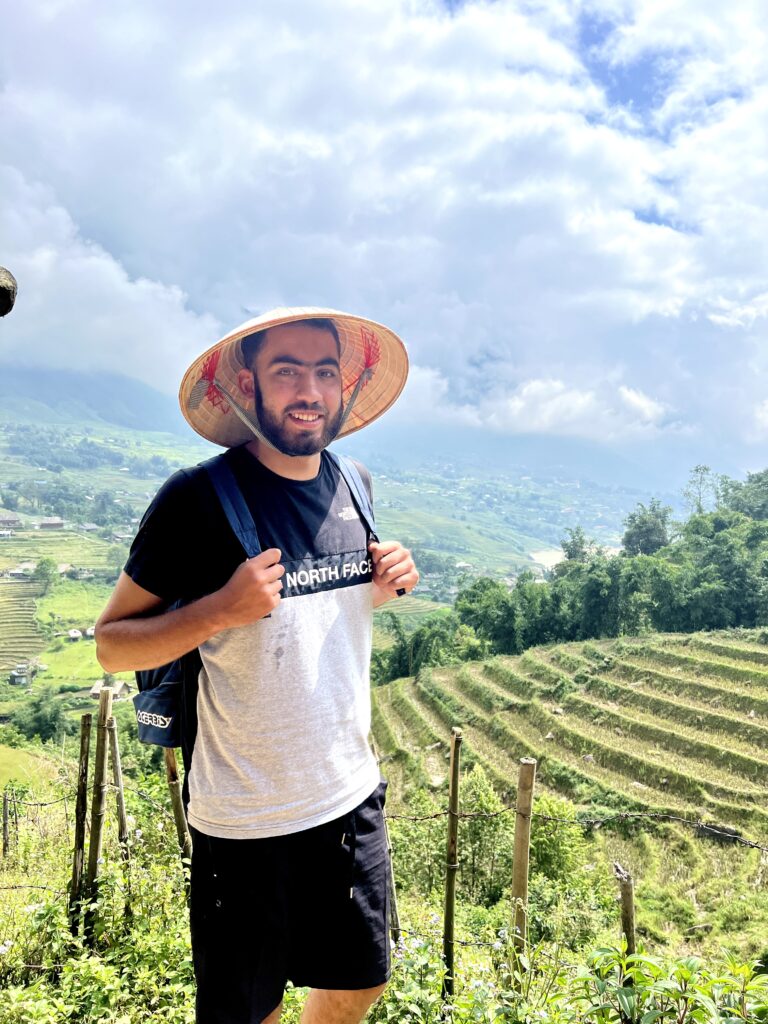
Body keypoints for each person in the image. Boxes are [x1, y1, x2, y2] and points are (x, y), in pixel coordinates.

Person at [95, 307, 419, 1024]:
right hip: (243, 820)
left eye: (324, 371)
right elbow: (112, 643)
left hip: (349, 797)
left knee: (361, 981)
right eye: (287, 371)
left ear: (345, 386)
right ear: (251, 385)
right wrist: (218, 610)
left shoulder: (354, 483)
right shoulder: (195, 499)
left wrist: (388, 581)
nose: (308, 390)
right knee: (250, 1009)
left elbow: (323, 619)